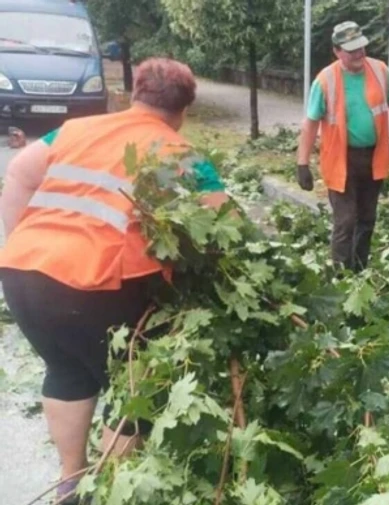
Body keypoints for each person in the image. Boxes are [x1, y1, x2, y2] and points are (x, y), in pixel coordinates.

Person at [0, 57, 229, 504]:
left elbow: (20, 171)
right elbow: (223, 228)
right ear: (184, 111)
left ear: (134, 94)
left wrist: (21, 242)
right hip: (97, 286)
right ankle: (110, 489)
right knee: (136, 388)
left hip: (23, 275)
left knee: (67, 370)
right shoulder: (184, 157)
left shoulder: (74, 130)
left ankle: (71, 481)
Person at [296, 21, 389, 273]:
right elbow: (310, 124)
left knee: (367, 219)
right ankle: (340, 276)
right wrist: (302, 163)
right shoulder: (325, 80)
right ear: (337, 51)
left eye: (361, 48)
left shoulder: (379, 70)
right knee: (346, 221)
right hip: (340, 161)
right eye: (352, 50)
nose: (359, 54)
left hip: (373, 158)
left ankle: (359, 271)